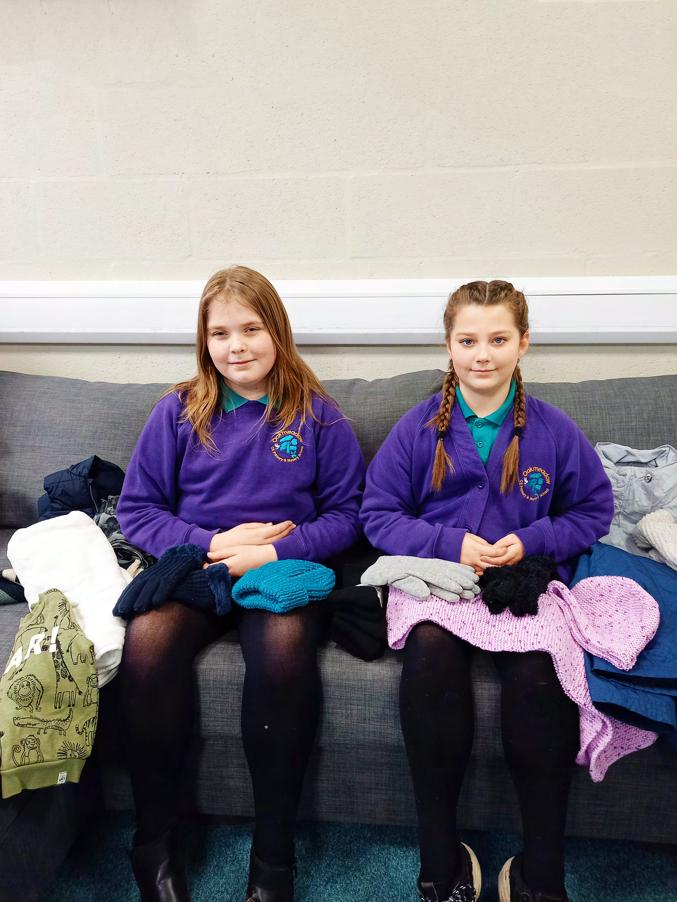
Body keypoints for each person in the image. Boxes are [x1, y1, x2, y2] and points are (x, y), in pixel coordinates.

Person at [115, 266, 365, 902]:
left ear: (277, 331)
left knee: (283, 651)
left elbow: (348, 515)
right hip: (199, 564)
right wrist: (216, 544)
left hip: (281, 567)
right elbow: (137, 510)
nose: (237, 346)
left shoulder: (318, 417)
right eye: (220, 333)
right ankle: (154, 842)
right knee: (147, 644)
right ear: (204, 340)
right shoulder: (177, 411)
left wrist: (269, 552)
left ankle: (273, 858)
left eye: (252, 329)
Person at [360, 280, 614, 902]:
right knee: (428, 657)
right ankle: (440, 859)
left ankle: (540, 873)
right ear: (448, 346)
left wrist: (533, 539)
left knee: (542, 675)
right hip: (437, 579)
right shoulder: (418, 428)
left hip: (522, 582)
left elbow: (593, 511)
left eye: (498, 339)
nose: (482, 354)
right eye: (468, 340)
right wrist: (448, 542)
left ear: (523, 343)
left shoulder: (553, 430)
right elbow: (377, 515)